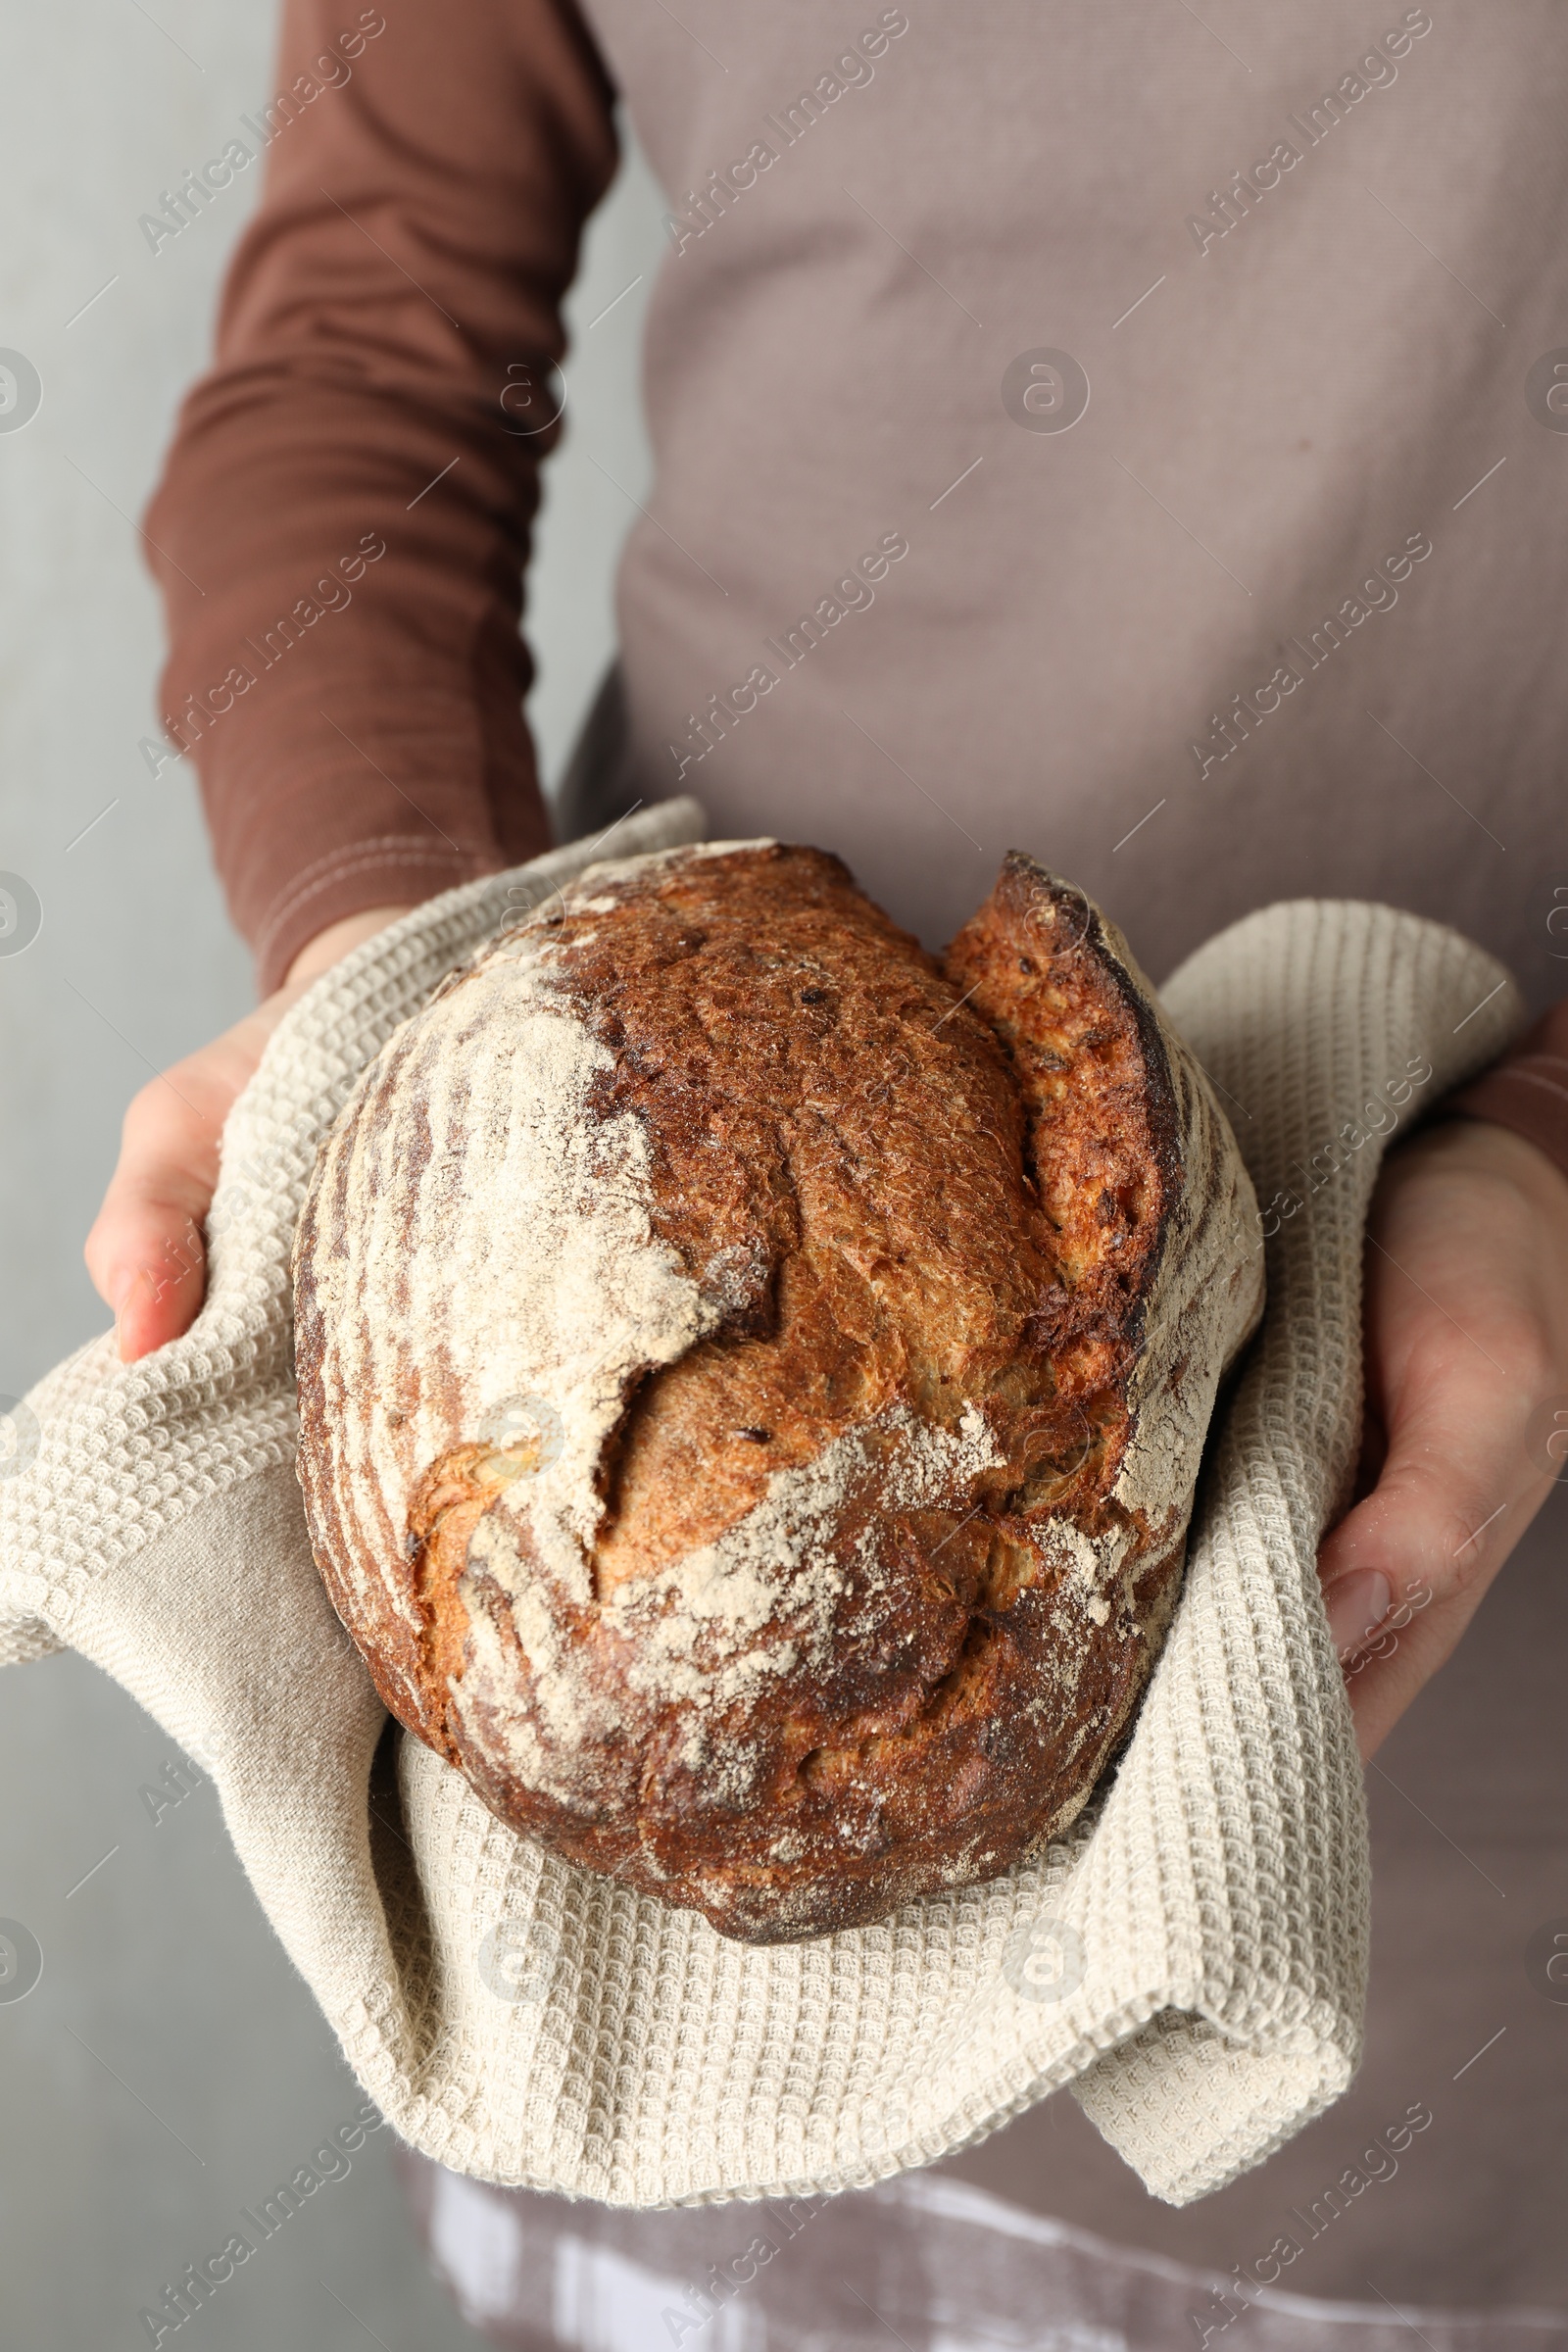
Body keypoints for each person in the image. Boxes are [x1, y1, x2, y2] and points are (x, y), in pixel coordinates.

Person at [84, 0, 1568, 2316]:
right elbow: (359, 373)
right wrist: (387, 966)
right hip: (662, 2001)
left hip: (1479, 1960)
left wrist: (1545, 1145)